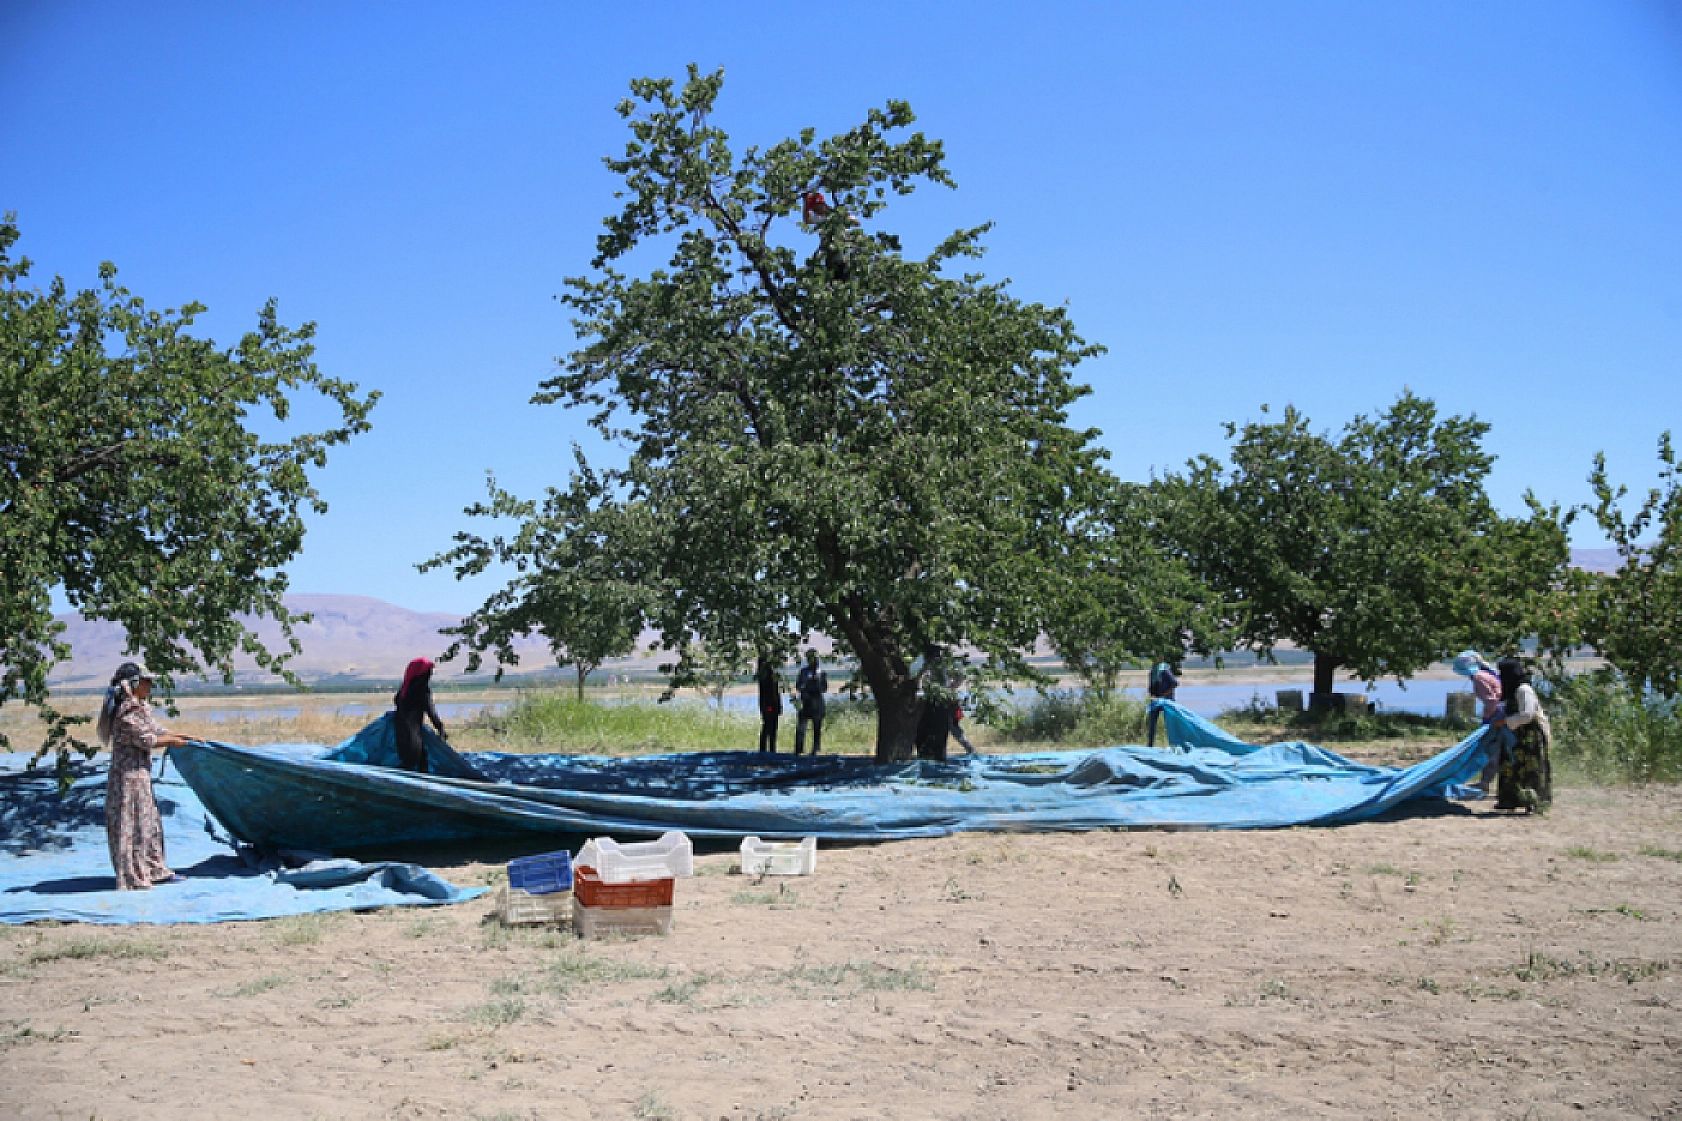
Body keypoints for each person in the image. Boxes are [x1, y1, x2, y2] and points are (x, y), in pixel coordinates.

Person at [95, 662, 192, 891]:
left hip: (140, 776)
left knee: (147, 824)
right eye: (146, 681)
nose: (150, 685)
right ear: (134, 684)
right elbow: (147, 739)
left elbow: (157, 730)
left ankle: (154, 869)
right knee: (133, 825)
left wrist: (184, 736)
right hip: (128, 779)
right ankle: (134, 874)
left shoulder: (140, 709)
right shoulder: (126, 713)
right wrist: (173, 742)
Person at [1496, 658, 1552, 812]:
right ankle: (1511, 800)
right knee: (1511, 766)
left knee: (1530, 768)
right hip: (1517, 734)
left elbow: (1527, 715)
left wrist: (1505, 722)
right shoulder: (1514, 690)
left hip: (1530, 736)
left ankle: (1532, 800)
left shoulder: (1523, 690)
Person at [1452, 649, 1510, 793]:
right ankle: (1488, 781)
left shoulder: (1479, 677)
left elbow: (1491, 700)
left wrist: (1487, 718)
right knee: (1499, 748)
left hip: (1496, 715)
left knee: (1490, 747)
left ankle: (1485, 782)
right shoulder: (1487, 673)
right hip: (1503, 712)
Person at [393, 657, 447, 773]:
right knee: (413, 764)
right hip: (413, 735)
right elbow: (430, 710)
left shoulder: (404, 689)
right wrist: (440, 727)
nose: (431, 674)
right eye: (428, 671)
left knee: (414, 763)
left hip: (400, 732)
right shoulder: (422, 690)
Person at [793, 650, 828, 755]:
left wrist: (817, 684)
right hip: (805, 703)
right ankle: (798, 750)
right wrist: (806, 684)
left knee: (817, 729)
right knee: (801, 728)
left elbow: (824, 688)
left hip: (817, 704)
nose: (815, 661)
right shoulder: (803, 672)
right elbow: (798, 686)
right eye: (812, 659)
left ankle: (815, 749)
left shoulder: (822, 673)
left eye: (816, 659)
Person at [1145, 661, 1179, 748]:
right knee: (1152, 722)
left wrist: (1164, 695)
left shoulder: (1165, 671)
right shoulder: (1152, 672)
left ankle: (1174, 745)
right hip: (1156, 701)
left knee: (1170, 724)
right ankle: (1150, 745)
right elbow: (1151, 687)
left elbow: (1174, 684)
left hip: (1167, 701)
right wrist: (1152, 696)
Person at [755, 655, 783, 754]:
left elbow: (776, 691)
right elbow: (769, 692)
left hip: (772, 704)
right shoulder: (764, 676)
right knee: (768, 726)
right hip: (768, 705)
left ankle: (771, 749)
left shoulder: (771, 674)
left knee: (773, 728)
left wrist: (779, 704)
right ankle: (764, 749)